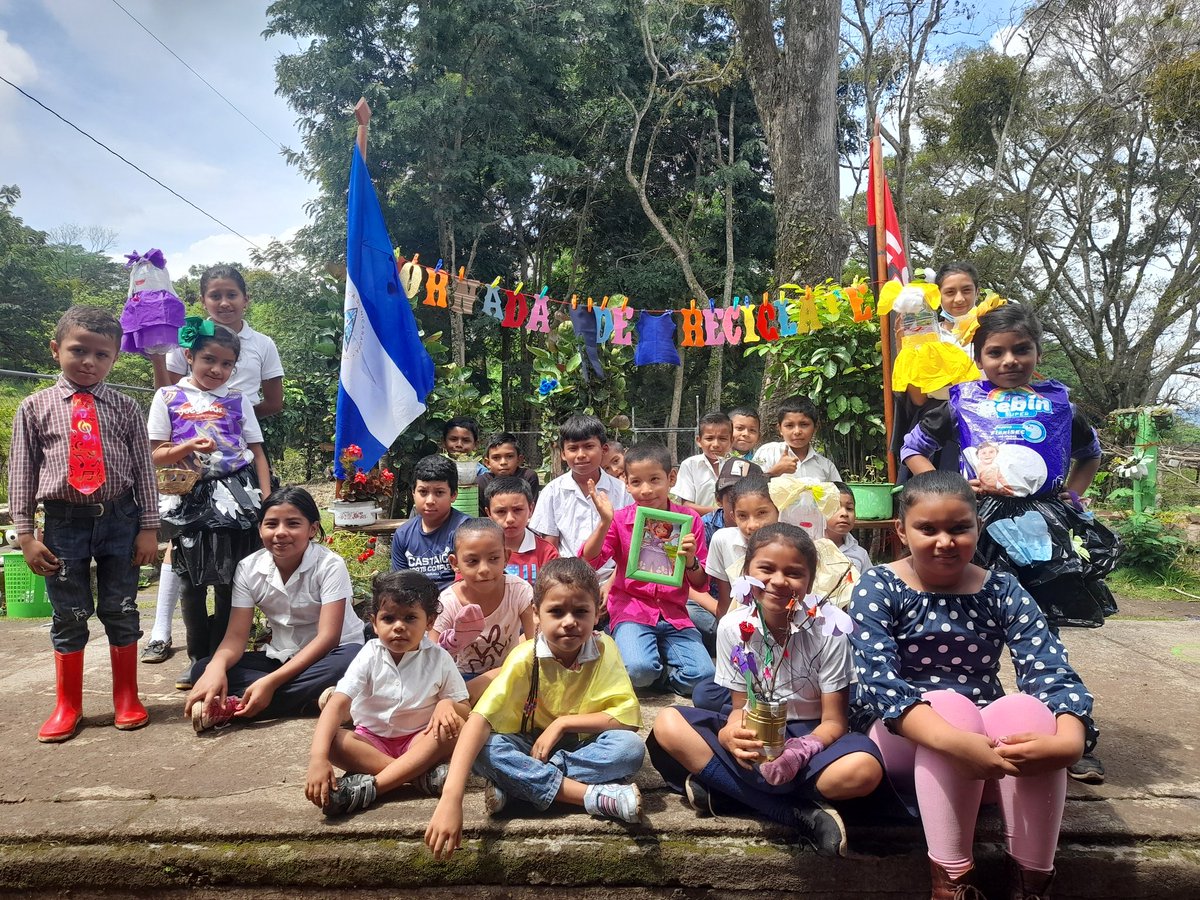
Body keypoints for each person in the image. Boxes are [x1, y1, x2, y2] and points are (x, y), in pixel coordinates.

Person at [900, 301, 1119, 783]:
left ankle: (1061, 731)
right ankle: (975, 715)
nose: (1010, 361)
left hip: (1043, 529)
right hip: (977, 528)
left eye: (1022, 350)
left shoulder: (1061, 405)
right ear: (979, 358)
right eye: (996, 352)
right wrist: (948, 492)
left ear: (1038, 353)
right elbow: (914, 449)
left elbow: (1090, 453)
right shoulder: (959, 401)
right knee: (968, 624)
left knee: (1041, 628)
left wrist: (1075, 496)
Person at [848, 472, 1095, 898]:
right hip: (903, 741)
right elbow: (879, 681)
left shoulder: (1000, 588)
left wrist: (1069, 743)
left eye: (959, 528)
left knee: (1029, 712)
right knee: (949, 707)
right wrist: (954, 741)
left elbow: (1049, 667)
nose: (945, 541)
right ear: (901, 531)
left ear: (977, 528)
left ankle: (1031, 883)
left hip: (986, 759)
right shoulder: (880, 584)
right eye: (928, 529)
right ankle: (951, 883)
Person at [648, 523, 884, 858]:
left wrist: (799, 751)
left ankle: (726, 790)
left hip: (813, 737)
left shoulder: (827, 631)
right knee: (668, 724)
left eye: (794, 573)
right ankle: (794, 814)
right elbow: (740, 705)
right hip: (757, 732)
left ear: (810, 581)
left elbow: (834, 722)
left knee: (864, 769)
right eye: (766, 568)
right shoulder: (734, 626)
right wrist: (731, 732)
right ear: (746, 572)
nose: (778, 581)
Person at [424, 558, 645, 859]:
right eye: (556, 611)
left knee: (630, 749)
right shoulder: (524, 656)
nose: (569, 621)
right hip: (527, 744)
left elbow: (625, 719)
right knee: (486, 750)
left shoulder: (605, 647)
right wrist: (451, 798)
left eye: (581, 611)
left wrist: (563, 723)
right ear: (536, 613)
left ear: (597, 613)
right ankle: (592, 796)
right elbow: (480, 720)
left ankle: (518, 786)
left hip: (581, 745)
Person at [9, 306, 159, 742]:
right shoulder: (34, 408)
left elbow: (143, 471)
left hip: (120, 520)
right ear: (57, 350)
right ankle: (67, 705)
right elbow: (21, 471)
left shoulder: (127, 408)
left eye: (102, 354)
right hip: (63, 524)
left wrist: (149, 528)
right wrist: (25, 534)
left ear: (114, 358)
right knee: (69, 612)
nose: (89, 361)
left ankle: (127, 697)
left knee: (121, 607)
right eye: (78, 350)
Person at [148, 265, 284, 664]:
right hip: (189, 494)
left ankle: (227, 657)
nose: (217, 370)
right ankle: (197, 658)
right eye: (209, 360)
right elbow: (156, 453)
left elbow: (257, 450)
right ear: (189, 356)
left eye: (226, 365)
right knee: (191, 580)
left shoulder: (240, 400)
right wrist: (186, 445)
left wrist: (266, 497)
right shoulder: (168, 398)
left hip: (238, 493)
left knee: (232, 579)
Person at [184, 487, 365, 732]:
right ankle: (316, 701)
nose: (281, 533)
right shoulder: (249, 568)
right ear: (260, 529)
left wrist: (270, 683)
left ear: (312, 529)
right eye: (271, 524)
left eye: (293, 524)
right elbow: (236, 637)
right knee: (202, 670)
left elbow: (328, 638)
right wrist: (215, 669)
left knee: (352, 661)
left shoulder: (330, 565)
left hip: (333, 654)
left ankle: (236, 708)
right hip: (283, 656)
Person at [305, 570, 470, 817]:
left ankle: (375, 786)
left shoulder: (438, 658)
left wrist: (446, 705)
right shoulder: (370, 654)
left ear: (430, 622)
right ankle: (417, 778)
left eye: (410, 618)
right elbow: (338, 703)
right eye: (389, 618)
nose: (399, 627)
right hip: (371, 742)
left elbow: (465, 708)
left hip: (419, 740)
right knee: (334, 741)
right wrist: (318, 759)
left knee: (453, 729)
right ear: (374, 622)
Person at [581, 443, 713, 695]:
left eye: (655, 479)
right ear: (626, 484)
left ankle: (661, 672)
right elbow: (591, 560)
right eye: (636, 482)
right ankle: (639, 657)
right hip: (632, 610)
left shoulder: (688, 521)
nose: (646, 490)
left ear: (671, 478)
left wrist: (691, 560)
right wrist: (604, 522)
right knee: (639, 670)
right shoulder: (620, 519)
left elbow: (699, 582)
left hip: (674, 614)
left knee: (703, 677)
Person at [431, 519, 537, 703]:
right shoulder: (448, 603)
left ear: (506, 557)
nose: (484, 569)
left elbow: (537, 647)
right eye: (472, 561)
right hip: (461, 681)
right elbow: (430, 659)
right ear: (455, 563)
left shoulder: (519, 590)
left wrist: (493, 677)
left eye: (493, 559)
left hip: (511, 672)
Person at [529, 415, 632, 572]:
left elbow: (628, 544)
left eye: (589, 446)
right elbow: (550, 547)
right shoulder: (552, 492)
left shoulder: (623, 492)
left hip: (612, 576)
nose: (581, 454)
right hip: (567, 576)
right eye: (573, 448)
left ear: (604, 450)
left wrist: (613, 582)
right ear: (563, 453)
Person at [390, 455, 471, 590]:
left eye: (439, 492)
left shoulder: (466, 530)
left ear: (453, 495)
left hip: (456, 605)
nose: (430, 500)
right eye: (423, 492)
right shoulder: (403, 534)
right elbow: (399, 585)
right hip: (415, 605)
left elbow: (471, 581)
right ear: (413, 493)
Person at [706, 475, 778, 616]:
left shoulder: (791, 546)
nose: (752, 525)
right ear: (734, 517)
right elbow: (725, 604)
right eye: (743, 516)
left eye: (762, 513)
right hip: (740, 627)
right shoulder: (722, 541)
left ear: (777, 510)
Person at [484, 476, 558, 585]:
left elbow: (555, 592)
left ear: (531, 509)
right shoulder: (478, 548)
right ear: (489, 513)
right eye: (501, 512)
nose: (510, 519)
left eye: (517, 510)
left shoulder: (546, 552)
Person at [752, 397, 841, 482]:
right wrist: (775, 471)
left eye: (804, 424)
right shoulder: (767, 452)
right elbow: (748, 488)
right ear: (780, 429)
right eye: (789, 425)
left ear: (815, 428)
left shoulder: (826, 466)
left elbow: (841, 495)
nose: (797, 431)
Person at [673, 411, 733, 515]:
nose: (716, 444)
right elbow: (686, 505)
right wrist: (721, 513)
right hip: (700, 525)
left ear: (731, 440)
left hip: (732, 527)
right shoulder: (690, 465)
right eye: (709, 438)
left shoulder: (738, 465)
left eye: (722, 438)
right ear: (698, 440)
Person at [475, 432, 540, 515]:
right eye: (496, 458)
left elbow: (530, 512)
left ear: (519, 460)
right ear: (487, 463)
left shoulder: (528, 477)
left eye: (509, 456)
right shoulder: (481, 483)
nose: (503, 462)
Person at [824, 483, 871, 576]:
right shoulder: (809, 549)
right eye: (836, 507)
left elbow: (869, 586)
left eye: (849, 508)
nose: (844, 513)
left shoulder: (860, 554)